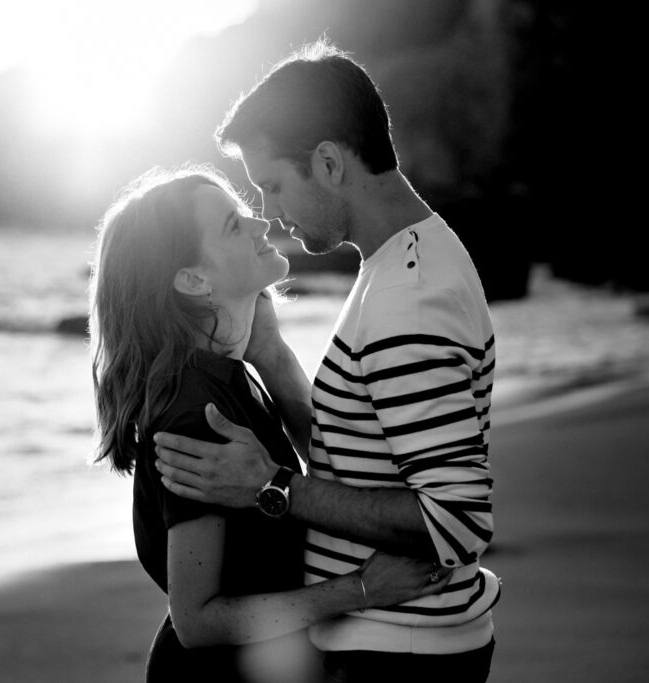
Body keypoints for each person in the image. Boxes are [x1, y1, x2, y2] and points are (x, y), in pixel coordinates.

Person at [152, 41, 500, 681]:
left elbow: (456, 520)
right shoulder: (402, 262)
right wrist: (276, 361)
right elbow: (363, 459)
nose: (270, 213)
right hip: (398, 644)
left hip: (400, 656)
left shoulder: (408, 300)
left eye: (274, 186)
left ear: (331, 163)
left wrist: (271, 487)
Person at [89, 165, 452, 683]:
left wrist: (272, 354)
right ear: (194, 279)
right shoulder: (198, 410)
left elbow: (337, 467)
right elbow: (197, 620)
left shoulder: (229, 377)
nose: (259, 223)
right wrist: (363, 587)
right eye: (234, 225)